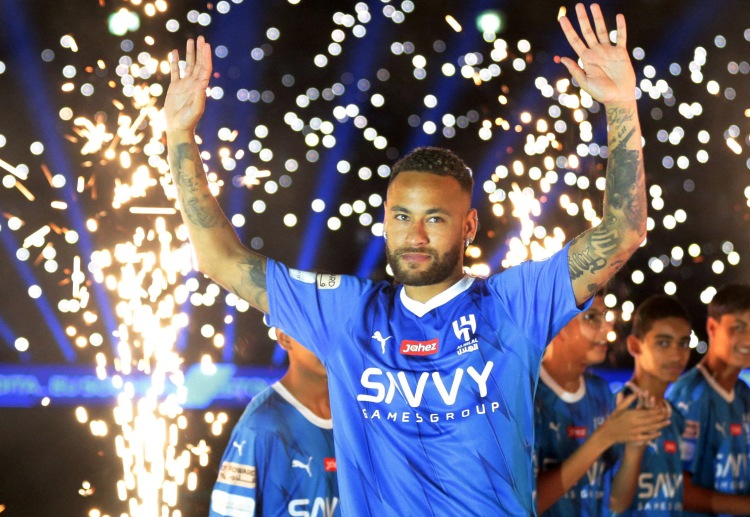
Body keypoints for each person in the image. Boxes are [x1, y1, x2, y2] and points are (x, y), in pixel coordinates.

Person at [164, 3, 647, 514]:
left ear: (469, 227)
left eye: (435, 219)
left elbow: (622, 234)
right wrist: (178, 135)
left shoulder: (514, 305)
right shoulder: (346, 312)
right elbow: (219, 259)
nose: (414, 234)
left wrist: (621, 105)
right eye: (400, 216)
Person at [534, 293, 669, 516]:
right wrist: (604, 437)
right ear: (556, 323)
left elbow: (616, 503)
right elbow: (526, 504)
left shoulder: (600, 392)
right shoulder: (526, 394)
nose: (607, 330)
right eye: (591, 318)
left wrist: (635, 445)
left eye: (606, 318)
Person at [209, 329, 338, 517]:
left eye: (331, 326)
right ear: (284, 337)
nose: (327, 341)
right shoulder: (258, 427)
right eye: (313, 328)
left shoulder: (364, 415)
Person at [667, 284, 750, 516]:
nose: (748, 339)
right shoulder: (690, 395)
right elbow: (674, 487)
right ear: (712, 327)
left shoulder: (744, 394)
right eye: (739, 327)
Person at [613, 294, 693, 515]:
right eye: (663, 343)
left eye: (684, 343)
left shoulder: (675, 415)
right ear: (634, 345)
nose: (677, 354)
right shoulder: (616, 408)